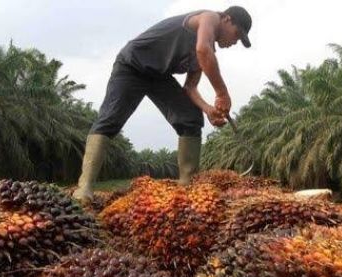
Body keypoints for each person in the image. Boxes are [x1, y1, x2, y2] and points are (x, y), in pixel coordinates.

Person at [73, 6, 252, 200]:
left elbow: (190, 88)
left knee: (190, 117)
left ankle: (188, 187)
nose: (235, 41)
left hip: (158, 76)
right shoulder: (209, 18)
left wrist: (208, 109)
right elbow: (203, 49)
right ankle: (84, 188)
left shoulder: (205, 52)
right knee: (110, 119)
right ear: (226, 19)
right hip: (132, 65)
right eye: (237, 34)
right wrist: (222, 93)